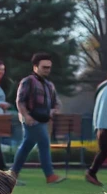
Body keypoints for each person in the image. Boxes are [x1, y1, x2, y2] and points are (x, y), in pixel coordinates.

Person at [10, 52, 66, 185]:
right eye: (44, 67)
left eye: (49, 67)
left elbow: (57, 103)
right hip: (31, 120)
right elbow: (20, 101)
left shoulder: (49, 85)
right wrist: (27, 116)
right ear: (35, 67)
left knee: (27, 146)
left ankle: (12, 174)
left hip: (43, 121)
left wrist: (53, 110)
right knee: (44, 144)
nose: (47, 70)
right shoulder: (28, 81)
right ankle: (50, 175)